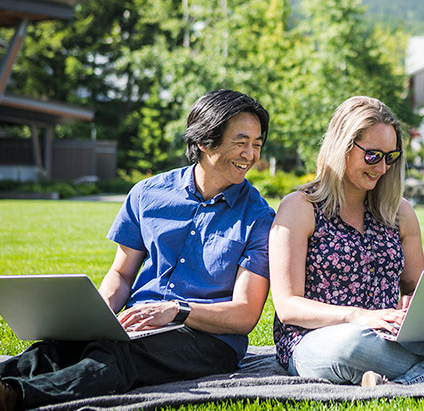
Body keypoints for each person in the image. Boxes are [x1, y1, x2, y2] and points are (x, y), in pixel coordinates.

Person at [0, 89, 275, 411]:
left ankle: (15, 398)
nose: (250, 154)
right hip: (138, 323)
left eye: (256, 144)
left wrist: (176, 310)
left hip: (208, 339)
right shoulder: (148, 194)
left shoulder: (260, 217)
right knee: (53, 350)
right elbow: (121, 272)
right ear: (203, 141)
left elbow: (244, 315)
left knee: (115, 357)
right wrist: (96, 316)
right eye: (241, 142)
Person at [269, 96, 424, 386]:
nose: (382, 167)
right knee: (350, 345)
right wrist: (359, 317)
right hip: (320, 339)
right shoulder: (300, 207)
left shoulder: (399, 212)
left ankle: (406, 381)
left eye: (390, 157)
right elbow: (288, 307)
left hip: (392, 338)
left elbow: (416, 288)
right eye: (373, 155)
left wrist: (423, 309)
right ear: (343, 147)